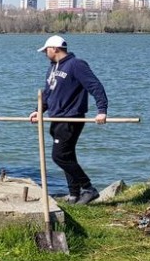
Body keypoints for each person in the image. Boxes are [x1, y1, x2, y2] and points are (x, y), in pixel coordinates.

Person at [28, 35, 107, 205]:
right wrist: (38, 111)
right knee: (68, 156)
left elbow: (94, 86)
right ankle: (74, 194)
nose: (45, 54)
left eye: (46, 50)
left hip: (71, 118)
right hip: (56, 118)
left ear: (55, 49)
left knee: (59, 156)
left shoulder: (76, 65)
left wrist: (102, 110)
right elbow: (48, 94)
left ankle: (88, 188)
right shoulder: (52, 68)